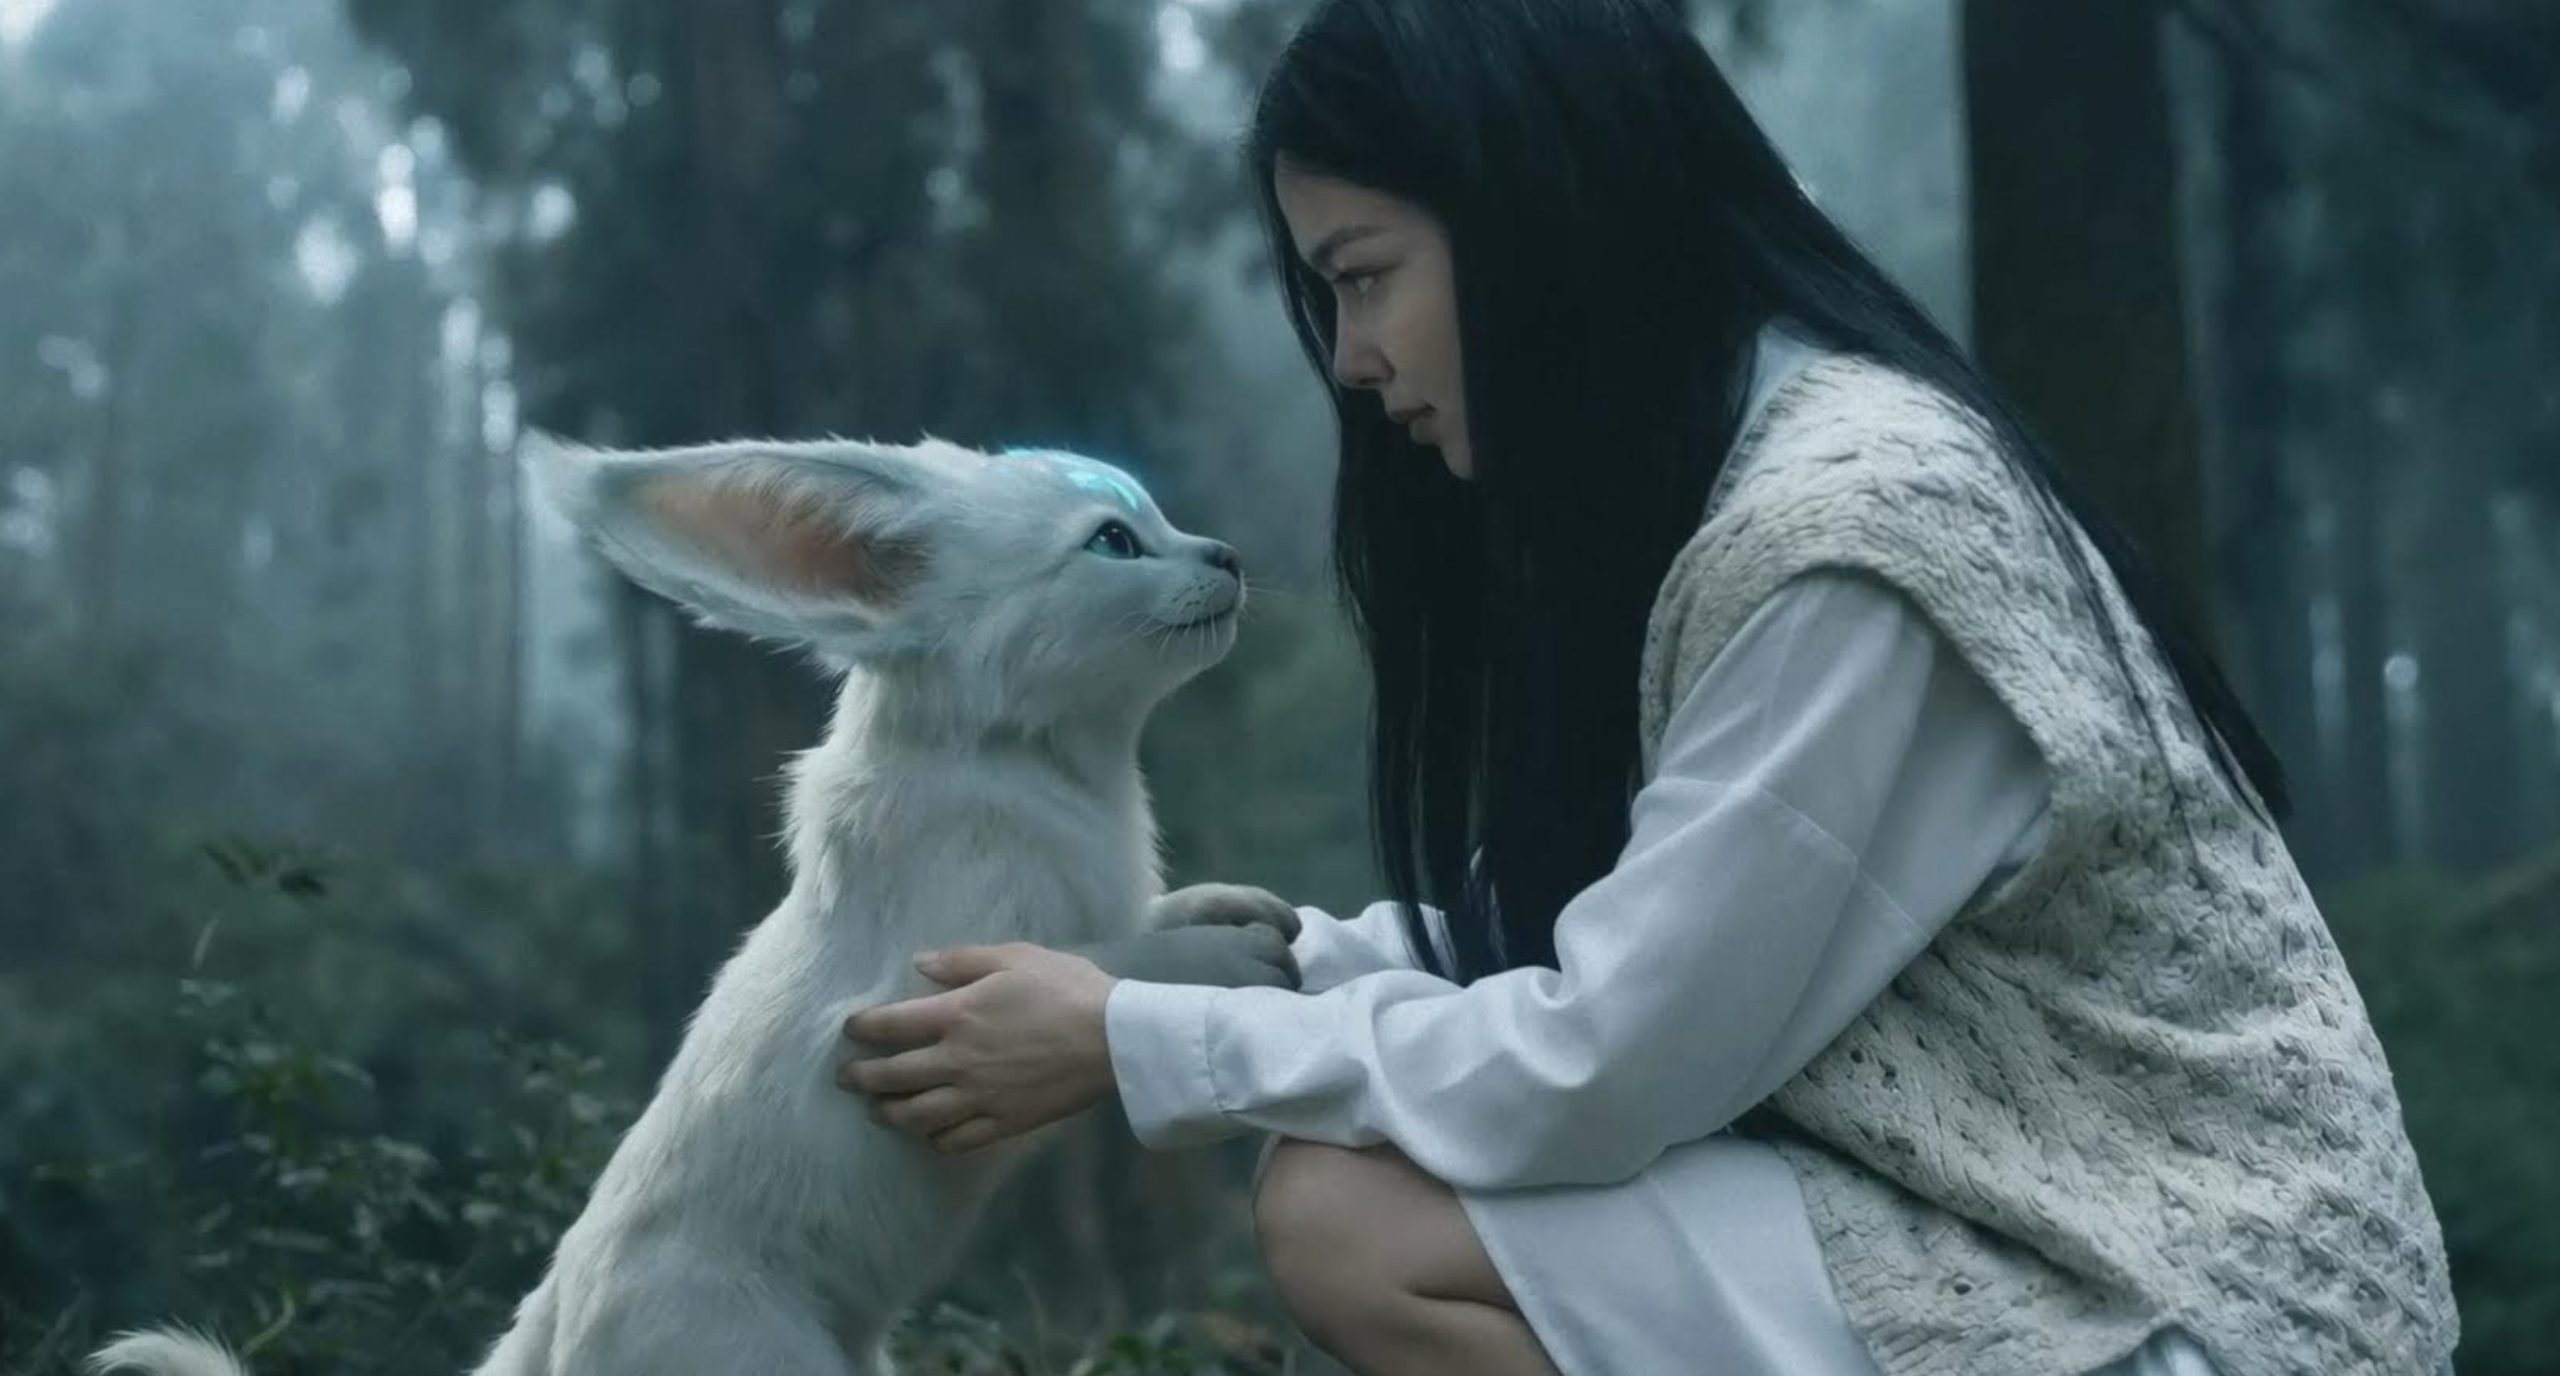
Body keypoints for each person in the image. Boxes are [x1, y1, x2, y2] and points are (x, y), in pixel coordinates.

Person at [836, 2, 2461, 1373]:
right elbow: (1632, 944)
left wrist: (1143, 1039)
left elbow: (1602, 1070)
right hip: (2030, 1225)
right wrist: (1279, 964)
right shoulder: (1726, 492)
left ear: (1534, 215)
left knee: (1356, 1217)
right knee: (1358, 1191)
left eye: (1365, 274)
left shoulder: (1853, 548)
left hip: (2207, 1312)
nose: (1349, 356)